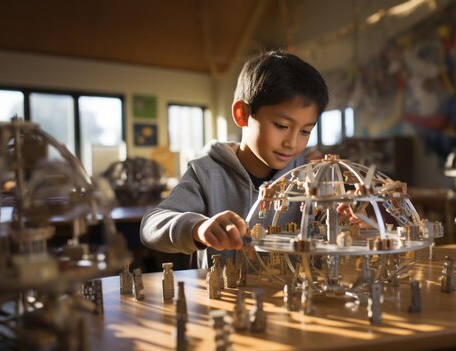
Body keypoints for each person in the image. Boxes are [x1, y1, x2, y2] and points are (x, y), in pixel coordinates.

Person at [140, 50, 329, 268]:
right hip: (227, 299)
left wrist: (352, 215)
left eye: (305, 131)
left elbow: (332, 225)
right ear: (242, 114)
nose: (292, 143)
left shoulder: (308, 175)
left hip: (292, 299)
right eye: (282, 126)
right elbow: (150, 225)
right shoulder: (207, 173)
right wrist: (199, 227)